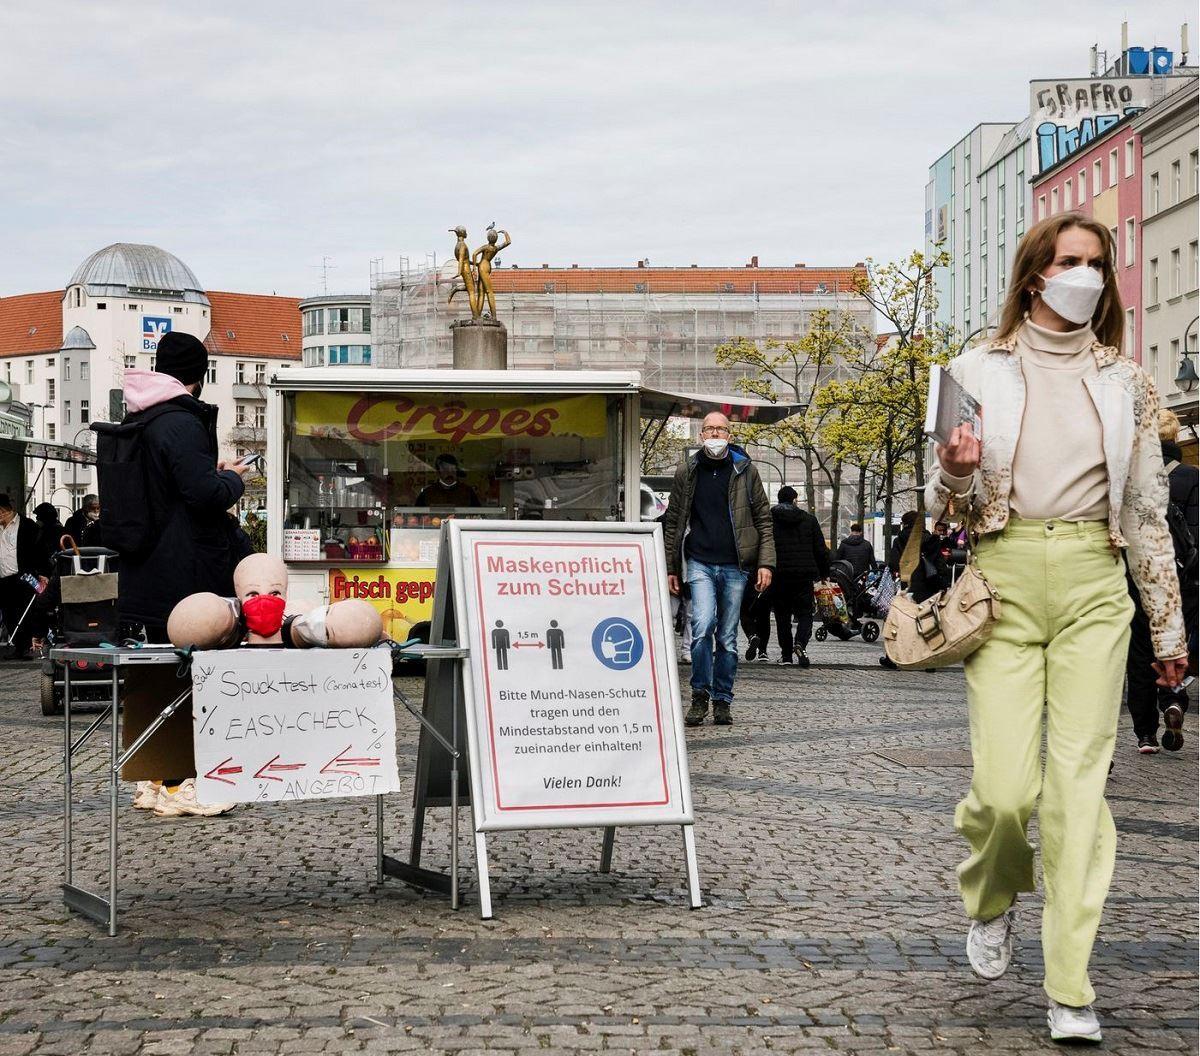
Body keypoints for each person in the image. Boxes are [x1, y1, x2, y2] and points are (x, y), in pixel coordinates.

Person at [928, 213, 1187, 1044]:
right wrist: (955, 473)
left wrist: (1170, 633)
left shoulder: (1130, 382)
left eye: (1097, 265)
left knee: (1078, 793)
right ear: (1034, 272)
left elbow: (1147, 514)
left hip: (1092, 585)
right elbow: (941, 512)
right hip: (1001, 583)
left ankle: (1070, 985)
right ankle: (993, 893)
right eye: (1069, 261)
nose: (1084, 275)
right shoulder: (969, 369)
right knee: (1006, 794)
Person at [116, 331, 251, 818]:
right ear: (200, 374)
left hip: (147, 565)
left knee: (157, 675)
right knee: (189, 675)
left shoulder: (142, 416)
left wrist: (207, 471)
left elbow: (171, 487)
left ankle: (153, 779)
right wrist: (232, 478)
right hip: (184, 570)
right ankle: (179, 784)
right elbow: (204, 497)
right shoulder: (181, 421)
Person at [663, 412, 774, 727]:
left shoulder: (745, 470)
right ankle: (699, 695)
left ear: (730, 433)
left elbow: (763, 520)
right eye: (709, 429)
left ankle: (722, 700)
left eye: (721, 429)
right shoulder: (687, 471)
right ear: (701, 435)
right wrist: (672, 567)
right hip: (699, 561)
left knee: (726, 637)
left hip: (735, 566)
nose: (715, 434)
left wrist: (765, 563)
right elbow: (674, 522)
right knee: (702, 628)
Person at [1124, 408, 1198, 753]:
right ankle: (1172, 699)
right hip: (1179, 579)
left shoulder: (1133, 477)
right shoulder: (1192, 477)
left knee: (1139, 651)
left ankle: (1144, 733)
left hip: (1136, 575)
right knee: (1173, 645)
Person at [745, 486, 828, 667]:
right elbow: (820, 550)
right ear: (794, 500)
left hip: (778, 575)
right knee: (805, 613)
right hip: (803, 575)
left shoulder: (769, 520)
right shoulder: (809, 520)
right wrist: (824, 573)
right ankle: (800, 644)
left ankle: (786, 656)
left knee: (783, 617)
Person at [0, 495, 50, 659]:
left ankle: (30, 645)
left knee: (29, 610)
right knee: (9, 612)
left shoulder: (28, 525)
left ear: (4, 511)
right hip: (4, 577)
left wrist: (43, 574)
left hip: (26, 575)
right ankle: (18, 646)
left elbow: (41, 550)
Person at [415, 454, 481, 508]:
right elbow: (417, 517)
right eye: (445, 469)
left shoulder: (468, 492)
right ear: (438, 472)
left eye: (452, 469)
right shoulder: (427, 493)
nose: (449, 473)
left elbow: (478, 515)